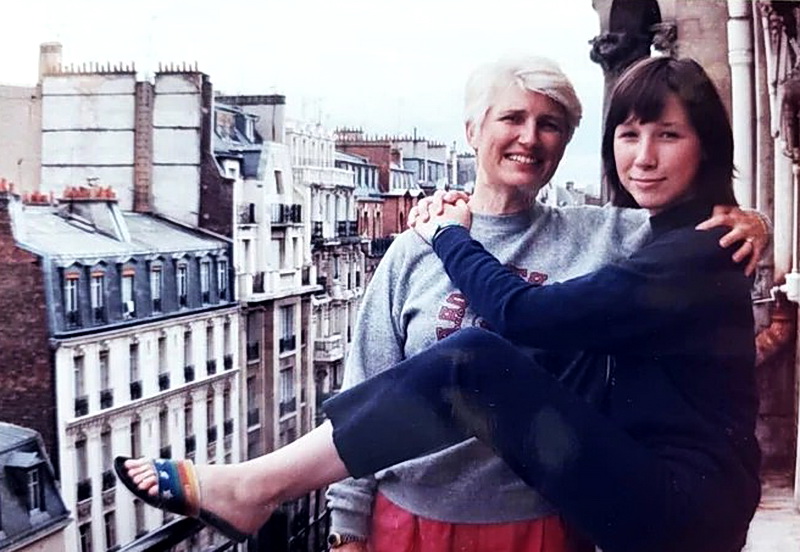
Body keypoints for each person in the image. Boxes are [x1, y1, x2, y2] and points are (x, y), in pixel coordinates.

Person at [116, 55, 766, 552]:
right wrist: (347, 528)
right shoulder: (413, 248)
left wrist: (754, 221)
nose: (530, 137)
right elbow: (368, 382)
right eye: (512, 118)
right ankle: (252, 487)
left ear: (567, 144)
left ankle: (253, 486)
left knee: (474, 360)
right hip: (418, 518)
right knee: (472, 360)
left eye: (550, 125)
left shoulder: (617, 235)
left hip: (560, 516)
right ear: (472, 130)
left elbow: (534, 310)